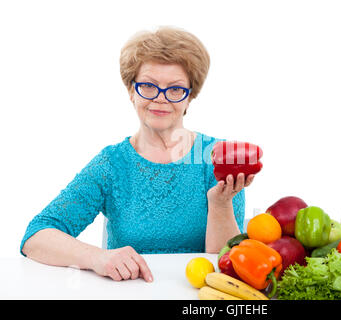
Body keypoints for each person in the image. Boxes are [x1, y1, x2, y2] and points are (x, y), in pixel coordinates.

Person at [20, 26, 255, 283]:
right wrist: (97, 257)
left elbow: (225, 263)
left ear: (190, 97)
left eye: (175, 89)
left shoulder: (217, 157)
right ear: (131, 91)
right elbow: (36, 236)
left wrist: (220, 204)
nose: (161, 98)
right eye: (148, 86)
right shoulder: (111, 164)